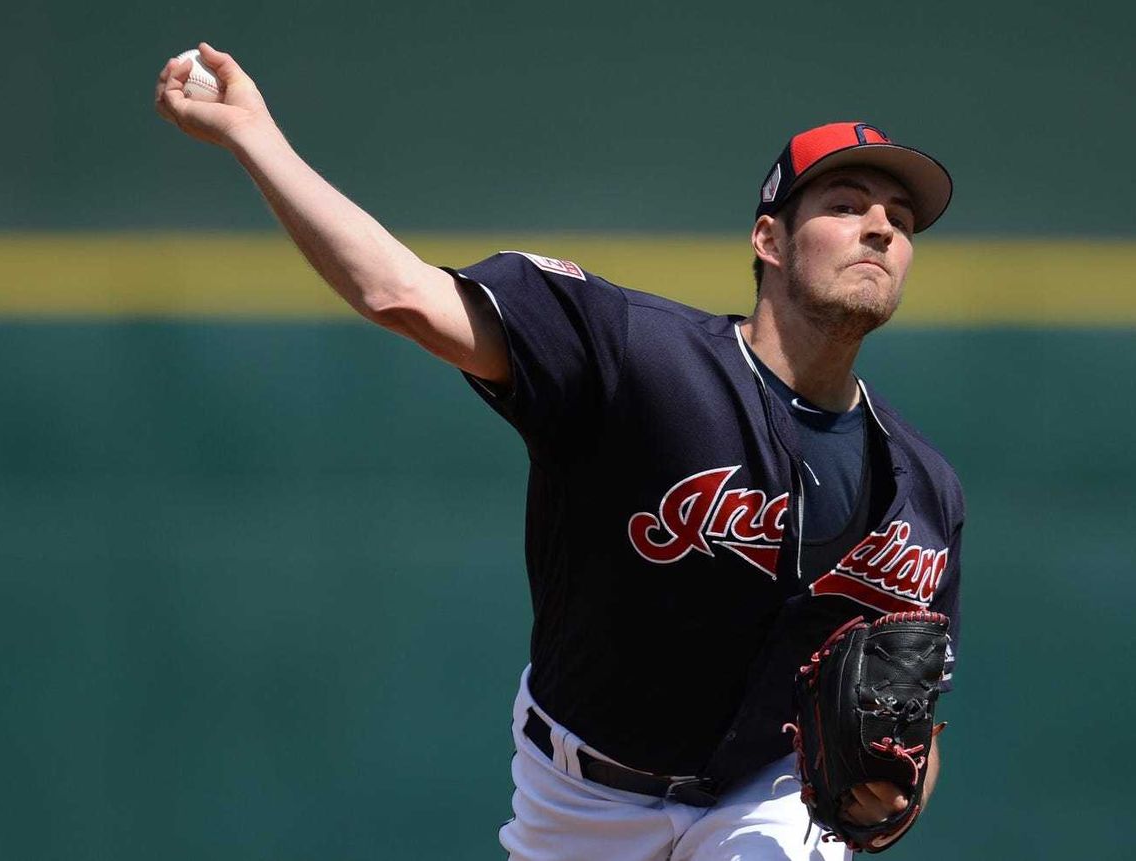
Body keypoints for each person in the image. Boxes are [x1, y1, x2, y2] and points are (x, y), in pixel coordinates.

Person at [155, 43, 964, 861]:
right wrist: (254, 136)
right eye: (848, 204)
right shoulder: (636, 355)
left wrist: (900, 788)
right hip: (582, 797)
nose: (880, 229)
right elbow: (397, 291)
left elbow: (914, 720)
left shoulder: (924, 488)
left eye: (900, 221)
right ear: (770, 240)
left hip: (772, 797)